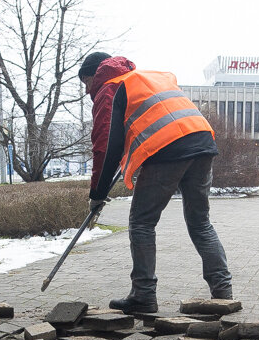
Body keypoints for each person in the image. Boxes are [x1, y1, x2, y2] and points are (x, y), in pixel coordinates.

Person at [80, 51, 233, 314]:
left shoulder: (110, 88)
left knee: (141, 223)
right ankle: (223, 292)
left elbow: (105, 146)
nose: (86, 91)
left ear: (96, 74)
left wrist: (98, 192)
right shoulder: (148, 78)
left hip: (167, 150)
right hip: (202, 143)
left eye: (85, 82)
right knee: (200, 222)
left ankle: (143, 295)